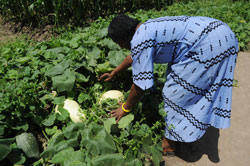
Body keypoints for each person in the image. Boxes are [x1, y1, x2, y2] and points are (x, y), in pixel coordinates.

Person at [99, 14, 238, 155]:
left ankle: (170, 144)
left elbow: (140, 86)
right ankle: (198, 120)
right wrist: (116, 71)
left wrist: (125, 108)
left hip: (210, 44)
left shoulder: (140, 40)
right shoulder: (145, 28)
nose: (120, 47)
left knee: (175, 94)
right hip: (221, 32)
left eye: (118, 44)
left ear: (122, 39)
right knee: (199, 86)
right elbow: (135, 54)